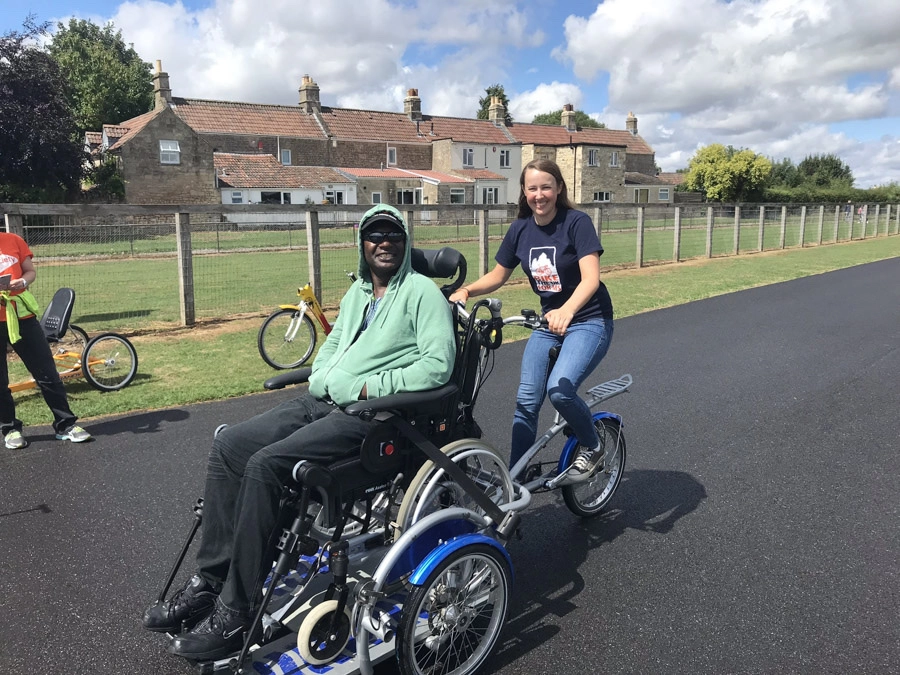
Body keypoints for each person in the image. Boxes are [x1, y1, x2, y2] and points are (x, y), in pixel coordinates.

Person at [143, 204, 456, 662]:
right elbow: (332, 343)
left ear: (406, 241)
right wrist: (324, 375)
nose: (383, 241)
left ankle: (236, 612)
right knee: (229, 445)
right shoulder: (357, 293)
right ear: (361, 242)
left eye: (393, 233)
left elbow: (438, 366)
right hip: (324, 399)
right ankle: (210, 583)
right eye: (374, 234)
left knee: (266, 467)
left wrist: (368, 386)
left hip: (374, 416)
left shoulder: (423, 294)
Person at [449, 158, 614, 478]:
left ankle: (593, 447)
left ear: (559, 189)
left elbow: (590, 279)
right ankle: (517, 475)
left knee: (560, 391)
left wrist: (568, 310)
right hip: (548, 323)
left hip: (589, 319)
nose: (539, 195)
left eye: (546, 187)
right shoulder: (520, 229)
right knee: (526, 401)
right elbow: (499, 274)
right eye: (532, 188)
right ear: (524, 193)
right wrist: (467, 291)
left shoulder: (576, 222)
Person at [0, 231, 91, 449]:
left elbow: (30, 271)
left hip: (23, 317)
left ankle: (66, 425)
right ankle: (10, 429)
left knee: (47, 372)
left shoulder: (13, 240)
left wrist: (22, 280)